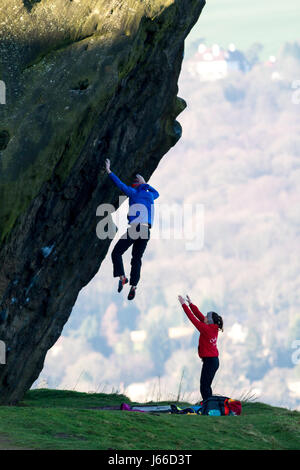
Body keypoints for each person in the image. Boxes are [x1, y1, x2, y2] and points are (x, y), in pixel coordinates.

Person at [105, 158, 159, 300]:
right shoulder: (150, 195)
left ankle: (122, 277)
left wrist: (109, 171)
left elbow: (120, 185)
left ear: (135, 185)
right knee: (136, 259)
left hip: (136, 228)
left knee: (116, 253)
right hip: (146, 231)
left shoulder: (134, 193)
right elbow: (157, 193)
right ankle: (134, 286)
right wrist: (145, 183)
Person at [178, 294, 223, 401]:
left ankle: (209, 406)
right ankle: (209, 405)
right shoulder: (212, 327)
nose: (205, 317)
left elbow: (192, 318)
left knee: (204, 386)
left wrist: (183, 305)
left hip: (210, 362)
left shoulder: (206, 329)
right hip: (212, 361)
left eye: (207, 317)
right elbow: (198, 315)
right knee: (206, 386)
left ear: (209, 321)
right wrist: (191, 304)